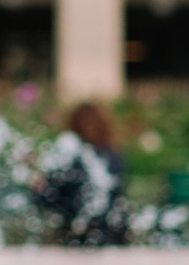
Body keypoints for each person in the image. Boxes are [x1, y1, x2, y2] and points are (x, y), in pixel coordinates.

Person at [34, 100, 129, 246]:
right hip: (112, 234)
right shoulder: (112, 156)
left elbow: (48, 199)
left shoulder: (69, 152)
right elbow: (117, 193)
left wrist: (38, 186)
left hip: (75, 235)